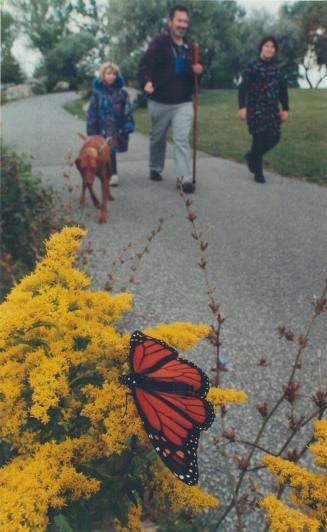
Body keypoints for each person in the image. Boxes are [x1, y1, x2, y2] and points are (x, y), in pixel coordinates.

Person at [137, 4, 203, 193]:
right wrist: (146, 82)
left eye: (185, 21)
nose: (183, 25)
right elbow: (144, 65)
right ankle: (155, 167)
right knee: (157, 138)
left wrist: (199, 71)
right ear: (170, 22)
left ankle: (184, 180)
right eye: (179, 20)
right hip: (159, 101)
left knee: (181, 139)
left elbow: (196, 77)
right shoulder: (158, 43)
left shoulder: (191, 48)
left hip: (183, 101)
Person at [238, 36, 289, 183]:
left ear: (275, 50)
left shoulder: (278, 69)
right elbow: (243, 88)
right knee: (258, 139)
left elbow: (283, 90)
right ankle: (258, 173)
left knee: (275, 137)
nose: (269, 49)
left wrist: (285, 108)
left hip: (273, 110)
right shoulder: (252, 66)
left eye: (272, 47)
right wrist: (242, 107)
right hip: (255, 109)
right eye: (267, 46)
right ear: (261, 48)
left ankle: (252, 157)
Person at [87, 62, 134, 186]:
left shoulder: (122, 92)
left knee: (111, 150)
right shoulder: (97, 93)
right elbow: (92, 112)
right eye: (108, 74)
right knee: (104, 151)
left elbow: (127, 108)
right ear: (103, 75)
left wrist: (128, 123)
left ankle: (113, 174)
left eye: (114, 74)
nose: (111, 76)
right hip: (102, 127)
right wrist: (91, 129)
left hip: (116, 127)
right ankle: (106, 172)